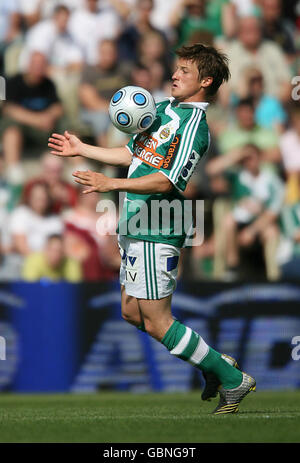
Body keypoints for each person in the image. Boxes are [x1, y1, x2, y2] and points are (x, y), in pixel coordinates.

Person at [48, 42, 256, 414]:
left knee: (159, 322)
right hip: (137, 222)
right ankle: (212, 363)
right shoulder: (162, 109)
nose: (174, 74)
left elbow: (167, 181)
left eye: (185, 71)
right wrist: (83, 148)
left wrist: (110, 185)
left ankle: (231, 378)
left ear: (205, 81)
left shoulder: (195, 127)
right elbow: (133, 154)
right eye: (176, 68)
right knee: (130, 312)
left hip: (157, 227)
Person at [206, 143, 284, 280]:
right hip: (239, 222)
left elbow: (272, 213)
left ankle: (273, 276)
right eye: (246, 159)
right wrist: (236, 156)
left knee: (272, 232)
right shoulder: (238, 175)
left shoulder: (271, 179)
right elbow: (211, 170)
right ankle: (231, 269)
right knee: (228, 221)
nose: (249, 162)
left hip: (260, 224)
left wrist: (252, 231)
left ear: (260, 158)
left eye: (252, 157)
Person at [0, 51, 63, 181]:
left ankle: (78, 166)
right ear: (28, 65)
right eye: (35, 64)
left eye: (41, 64)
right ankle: (13, 171)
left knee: (68, 124)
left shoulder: (48, 84)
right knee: (11, 127)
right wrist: (36, 120)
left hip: (45, 128)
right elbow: (9, 109)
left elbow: (58, 107)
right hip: (23, 128)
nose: (38, 68)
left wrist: (48, 116)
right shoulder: (14, 82)